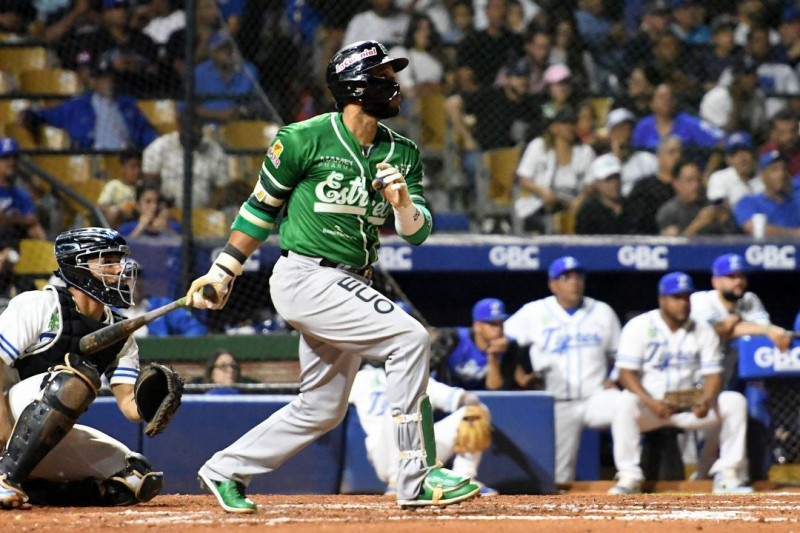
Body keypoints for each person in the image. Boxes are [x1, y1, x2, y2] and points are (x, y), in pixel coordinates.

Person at [184, 40, 481, 513]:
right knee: (410, 340)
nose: (395, 84)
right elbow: (261, 209)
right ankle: (416, 476)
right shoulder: (303, 138)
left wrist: (404, 204)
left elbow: (418, 232)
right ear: (355, 86)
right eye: (384, 76)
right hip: (305, 276)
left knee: (321, 409)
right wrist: (224, 270)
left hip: (352, 283)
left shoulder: (402, 152)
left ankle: (224, 468)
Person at [0, 227, 164, 508]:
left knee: (133, 476)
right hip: (5, 416)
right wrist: (3, 433)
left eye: (119, 260)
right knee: (73, 378)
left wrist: (154, 402)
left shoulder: (120, 332)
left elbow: (129, 406)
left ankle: (34, 489)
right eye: (107, 260)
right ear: (77, 267)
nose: (120, 269)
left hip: (34, 438)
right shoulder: (39, 305)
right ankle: (5, 478)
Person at [609, 272, 752, 495]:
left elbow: (713, 374)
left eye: (687, 297)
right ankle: (629, 476)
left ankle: (728, 474)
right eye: (676, 298)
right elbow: (626, 374)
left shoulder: (703, 329)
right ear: (662, 300)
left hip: (691, 406)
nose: (683, 303)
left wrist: (706, 399)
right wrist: (651, 402)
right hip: (653, 406)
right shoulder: (639, 326)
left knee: (734, 401)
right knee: (624, 403)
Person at [504, 257, 622, 484]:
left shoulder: (602, 312)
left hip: (596, 397)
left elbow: (620, 354)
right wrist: (519, 375)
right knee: (558, 476)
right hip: (557, 402)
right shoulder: (535, 312)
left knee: (626, 406)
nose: (575, 283)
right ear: (553, 284)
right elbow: (503, 342)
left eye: (579, 277)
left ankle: (628, 475)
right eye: (566, 278)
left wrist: (614, 377)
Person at [690, 253, 791, 481]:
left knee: (756, 409)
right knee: (708, 436)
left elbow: (763, 333)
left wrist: (760, 328)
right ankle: (703, 477)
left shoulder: (750, 299)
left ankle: (754, 476)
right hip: (698, 379)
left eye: (741, 276)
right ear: (715, 281)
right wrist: (764, 329)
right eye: (730, 276)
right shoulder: (700, 301)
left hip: (734, 376)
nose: (738, 281)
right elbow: (722, 328)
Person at [349, 364, 497, 495]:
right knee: (398, 406)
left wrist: (471, 403)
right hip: (385, 454)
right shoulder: (361, 378)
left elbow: (460, 397)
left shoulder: (414, 378)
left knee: (477, 412)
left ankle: (462, 479)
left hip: (421, 450)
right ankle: (399, 482)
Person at [21, 60, 157, 150]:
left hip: (127, 157)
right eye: (103, 78)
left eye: (110, 77)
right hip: (95, 157)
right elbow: (49, 115)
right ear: (94, 82)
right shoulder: (78, 106)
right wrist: (31, 115)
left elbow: (145, 131)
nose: (108, 82)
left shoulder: (127, 104)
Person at [431, 298, 531, 391]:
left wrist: (493, 356)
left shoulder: (509, 346)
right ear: (477, 326)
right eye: (492, 324)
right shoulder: (451, 339)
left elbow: (496, 392)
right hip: (448, 399)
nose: (499, 329)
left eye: (501, 323)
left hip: (483, 403)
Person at [141, 110, 230, 209]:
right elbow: (150, 185)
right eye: (191, 130)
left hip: (204, 212)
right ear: (180, 126)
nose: (195, 133)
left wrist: (206, 212)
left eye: (198, 129)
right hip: (166, 212)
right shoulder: (159, 148)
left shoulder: (214, 151)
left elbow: (223, 189)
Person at [656, 159, 737, 236]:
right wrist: (698, 224)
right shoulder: (669, 212)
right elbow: (674, 247)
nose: (696, 185)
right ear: (676, 184)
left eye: (698, 180)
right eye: (689, 180)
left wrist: (725, 222)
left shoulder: (711, 206)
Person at [734, 150, 800, 236]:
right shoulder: (748, 202)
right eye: (774, 169)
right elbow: (752, 227)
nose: (781, 174)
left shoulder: (797, 201)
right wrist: (794, 233)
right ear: (762, 175)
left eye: (784, 169)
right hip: (761, 248)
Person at [603, 108, 658, 197]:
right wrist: (617, 158)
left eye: (628, 129)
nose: (625, 134)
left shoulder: (649, 160)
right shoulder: (601, 164)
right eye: (619, 129)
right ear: (610, 134)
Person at [0, 137, 46, 243]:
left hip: (13, 242)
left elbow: (32, 220)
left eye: (14, 157)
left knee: (34, 229)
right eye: (6, 158)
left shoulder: (22, 194)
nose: (11, 162)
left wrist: (7, 220)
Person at [706, 132, 761, 209]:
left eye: (745, 150)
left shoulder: (765, 177)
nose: (741, 157)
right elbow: (718, 211)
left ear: (754, 153)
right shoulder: (719, 178)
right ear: (728, 159)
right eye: (735, 153)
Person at [575, 153, 625, 234]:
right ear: (596, 183)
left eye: (616, 177)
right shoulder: (589, 213)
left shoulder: (632, 206)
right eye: (608, 179)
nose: (614, 183)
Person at [117, 184, 181, 240]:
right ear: (138, 205)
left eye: (158, 201)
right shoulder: (127, 228)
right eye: (148, 201)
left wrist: (167, 229)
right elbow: (121, 250)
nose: (154, 206)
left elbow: (185, 249)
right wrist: (140, 228)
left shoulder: (174, 227)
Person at [98, 149, 143, 229]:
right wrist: (121, 210)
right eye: (133, 167)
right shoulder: (113, 185)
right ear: (122, 168)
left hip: (138, 219)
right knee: (113, 212)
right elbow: (103, 206)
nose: (137, 171)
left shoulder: (142, 186)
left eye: (139, 167)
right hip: (119, 220)